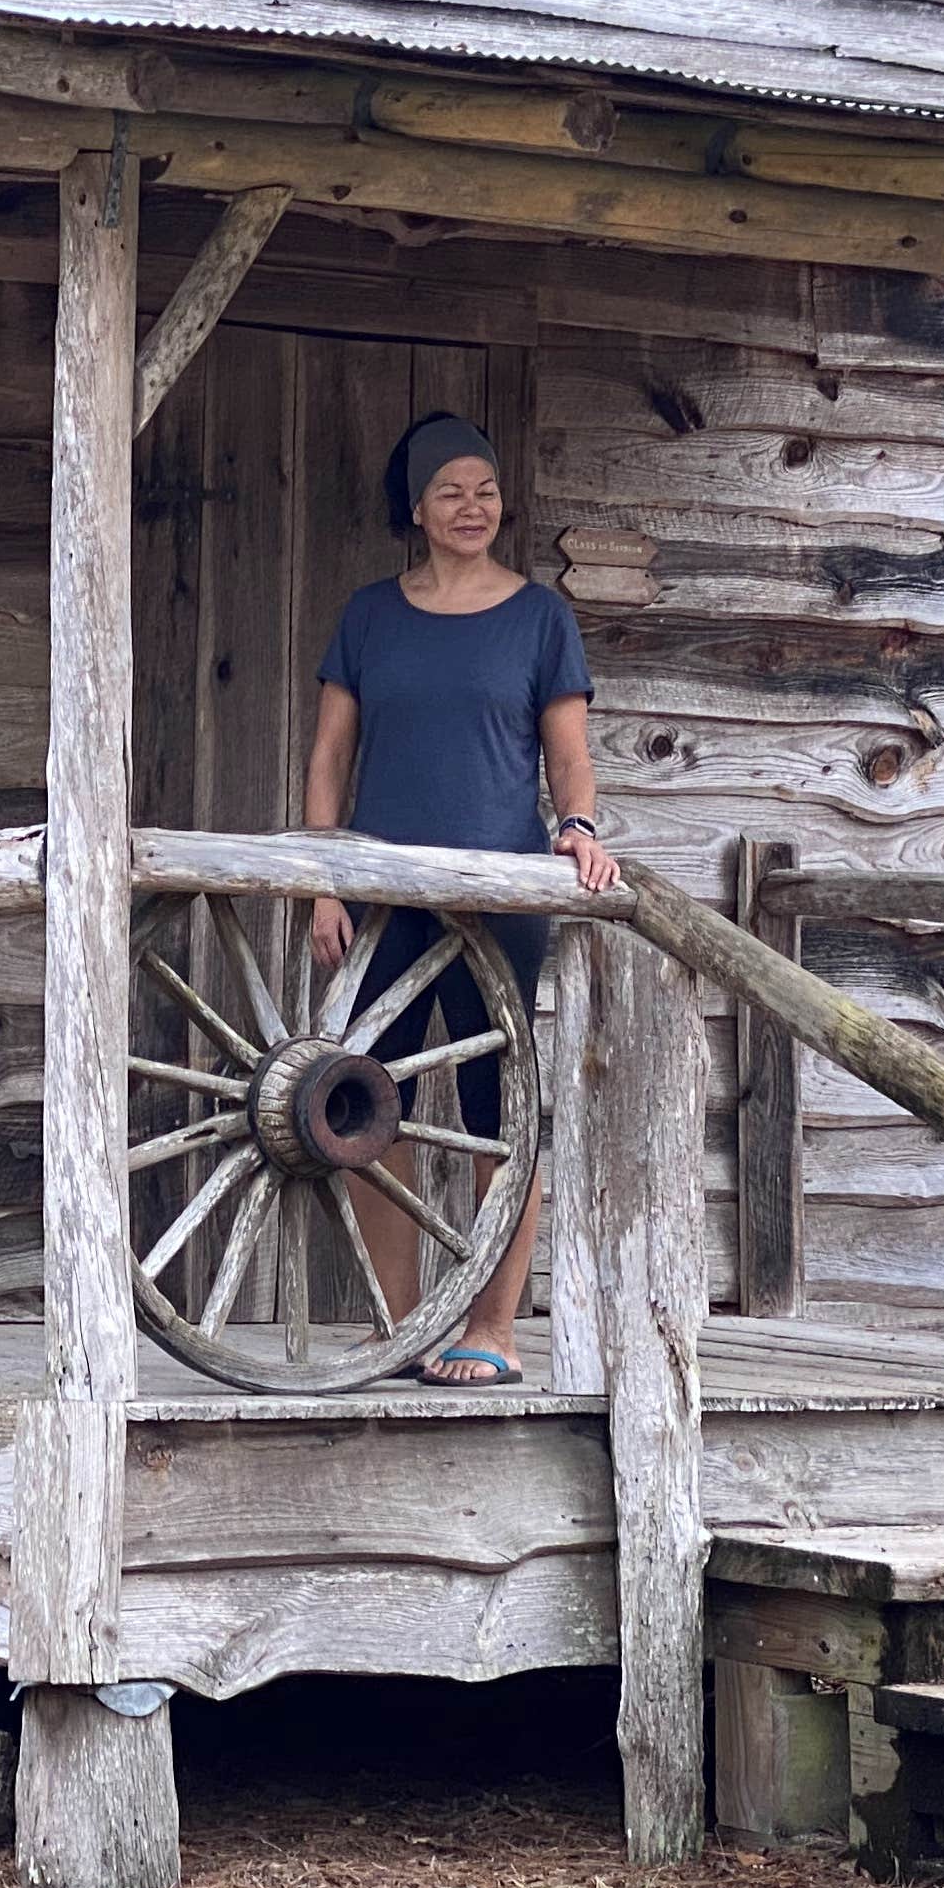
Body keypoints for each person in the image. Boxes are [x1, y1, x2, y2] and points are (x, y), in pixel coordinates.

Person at [301, 411, 619, 1386]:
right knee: (364, 1105)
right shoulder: (368, 617)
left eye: (484, 489)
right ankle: (402, 1323)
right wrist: (321, 881)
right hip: (386, 904)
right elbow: (330, 760)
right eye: (451, 491)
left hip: (501, 903)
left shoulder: (538, 619)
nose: (472, 506)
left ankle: (493, 1327)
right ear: (417, 508)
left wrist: (579, 828)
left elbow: (570, 761)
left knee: (497, 1116)